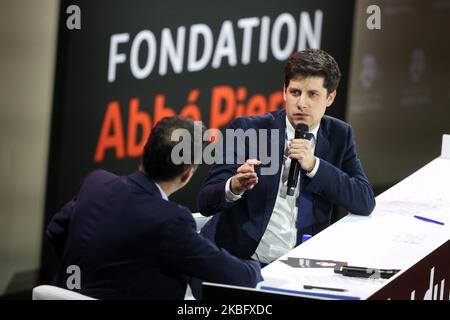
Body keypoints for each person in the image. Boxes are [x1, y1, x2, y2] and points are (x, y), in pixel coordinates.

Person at [46, 116, 262, 299]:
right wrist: (255, 267)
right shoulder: (171, 221)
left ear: (144, 153)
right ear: (187, 174)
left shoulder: (97, 183)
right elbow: (235, 276)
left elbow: (55, 231)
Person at [197, 49, 376, 265]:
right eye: (295, 92)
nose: (302, 103)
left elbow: (364, 201)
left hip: (300, 265)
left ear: (330, 97)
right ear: (284, 92)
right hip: (242, 261)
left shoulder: (340, 134)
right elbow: (206, 202)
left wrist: (314, 166)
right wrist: (234, 186)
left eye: (312, 94)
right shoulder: (250, 130)